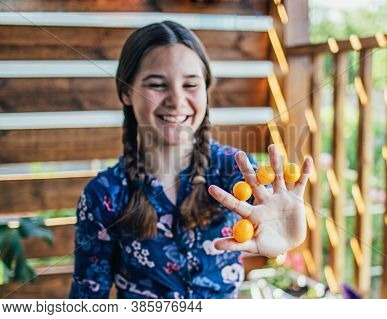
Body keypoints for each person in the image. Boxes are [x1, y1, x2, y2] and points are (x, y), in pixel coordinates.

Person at [69, 20, 312, 299]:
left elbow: (264, 207)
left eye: (191, 84)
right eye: (158, 85)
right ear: (126, 92)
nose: (176, 99)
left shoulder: (235, 170)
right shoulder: (103, 195)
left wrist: (282, 237)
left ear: (206, 91)